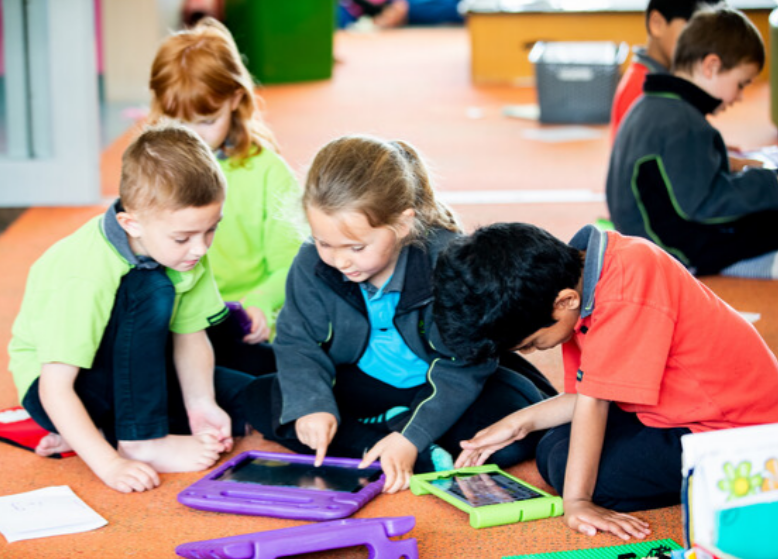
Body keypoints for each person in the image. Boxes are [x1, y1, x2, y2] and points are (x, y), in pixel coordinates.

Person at [244, 135, 556, 494]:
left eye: (356, 247)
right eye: (324, 242)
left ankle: (397, 444)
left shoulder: (447, 262)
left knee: (514, 423)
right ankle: (404, 449)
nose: (340, 260)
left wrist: (413, 435)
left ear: (403, 224)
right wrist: (313, 406)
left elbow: (463, 368)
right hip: (363, 383)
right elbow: (298, 342)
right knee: (270, 399)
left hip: (440, 383)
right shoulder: (311, 263)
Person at [433, 222, 778, 539]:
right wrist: (517, 423)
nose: (534, 352)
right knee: (553, 448)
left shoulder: (627, 289)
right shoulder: (578, 275)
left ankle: (741, 478)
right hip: (673, 407)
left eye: (533, 343)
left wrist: (578, 502)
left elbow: (594, 401)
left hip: (734, 429)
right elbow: (589, 391)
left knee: (588, 477)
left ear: (565, 301)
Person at [8, 122, 254, 493]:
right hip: (65, 388)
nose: (201, 248)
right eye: (183, 237)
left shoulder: (184, 251)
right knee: (149, 285)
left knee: (241, 401)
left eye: (211, 229)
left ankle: (100, 432)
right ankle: (141, 440)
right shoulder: (83, 273)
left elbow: (190, 336)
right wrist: (111, 464)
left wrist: (201, 404)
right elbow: (54, 388)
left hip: (133, 372)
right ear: (131, 223)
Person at [149, 17, 302, 375]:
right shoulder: (150, 170)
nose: (193, 138)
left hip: (248, 324)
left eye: (206, 121)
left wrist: (261, 302)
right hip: (176, 321)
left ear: (235, 99)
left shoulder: (268, 172)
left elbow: (291, 263)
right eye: (178, 122)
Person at [606, 7, 778, 280]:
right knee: (769, 222)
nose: (740, 97)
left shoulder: (655, 104)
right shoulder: (681, 121)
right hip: (668, 253)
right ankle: (755, 266)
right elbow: (705, 204)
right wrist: (769, 183)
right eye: (741, 84)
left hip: (644, 239)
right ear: (711, 66)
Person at [609, 0, 721, 143]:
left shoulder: (666, 79)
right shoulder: (642, 88)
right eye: (693, 33)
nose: (702, 49)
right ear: (657, 24)